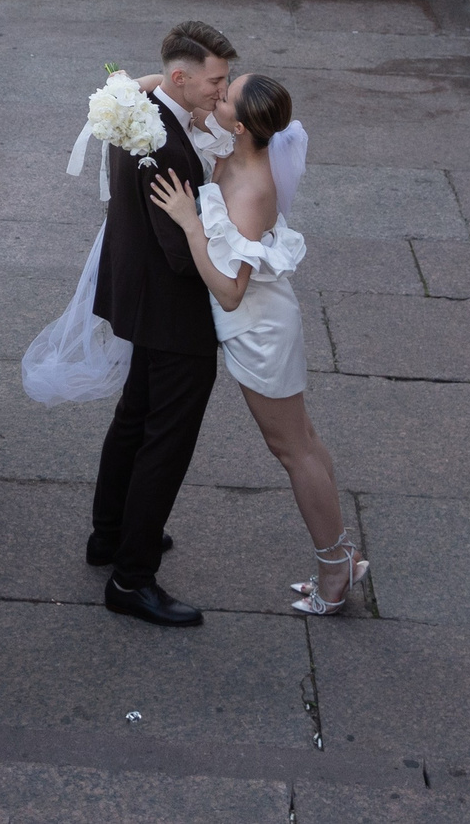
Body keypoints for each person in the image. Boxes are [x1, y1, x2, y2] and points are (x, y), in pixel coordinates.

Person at [150, 72, 367, 615]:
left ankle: (335, 571)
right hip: (262, 321)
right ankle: (341, 554)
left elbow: (229, 292)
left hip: (258, 329)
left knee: (293, 450)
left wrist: (190, 224)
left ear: (242, 125)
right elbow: (173, 91)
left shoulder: (250, 192)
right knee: (305, 443)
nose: (215, 96)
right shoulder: (236, 144)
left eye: (224, 95)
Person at [85, 20, 236, 628]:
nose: (221, 96)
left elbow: (135, 79)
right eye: (215, 82)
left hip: (135, 294)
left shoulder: (135, 106)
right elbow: (183, 255)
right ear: (180, 76)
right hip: (173, 312)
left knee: (133, 417)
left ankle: (109, 534)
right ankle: (132, 577)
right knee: (164, 442)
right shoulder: (167, 146)